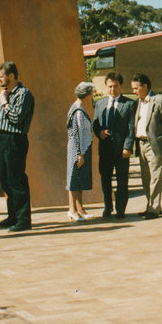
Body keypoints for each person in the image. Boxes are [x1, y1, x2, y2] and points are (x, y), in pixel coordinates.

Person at [0, 60, 35, 232]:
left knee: (16, 179)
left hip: (15, 139)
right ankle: (13, 216)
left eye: (1, 76)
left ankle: (23, 220)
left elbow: (17, 117)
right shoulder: (6, 93)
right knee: (5, 180)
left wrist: (4, 102)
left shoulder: (23, 94)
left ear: (11, 75)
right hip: (1, 138)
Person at [130, 73, 162, 219]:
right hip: (141, 144)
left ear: (145, 86)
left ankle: (154, 209)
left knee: (155, 178)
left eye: (136, 88)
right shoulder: (138, 102)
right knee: (146, 179)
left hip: (155, 145)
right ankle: (151, 206)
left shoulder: (160, 100)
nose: (134, 91)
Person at [92, 72, 136, 219]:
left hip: (121, 150)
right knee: (105, 179)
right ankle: (107, 207)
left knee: (122, 181)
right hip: (105, 149)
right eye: (110, 86)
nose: (112, 89)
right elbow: (95, 124)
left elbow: (131, 128)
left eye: (115, 86)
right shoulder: (99, 104)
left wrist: (127, 147)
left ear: (121, 86)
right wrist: (99, 132)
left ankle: (120, 209)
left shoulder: (129, 104)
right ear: (106, 86)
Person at [66, 81, 96, 222]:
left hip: (82, 149)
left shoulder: (80, 108)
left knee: (79, 180)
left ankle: (80, 209)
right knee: (73, 180)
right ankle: (72, 210)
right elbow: (76, 133)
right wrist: (79, 154)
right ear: (87, 94)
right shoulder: (77, 111)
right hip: (77, 151)